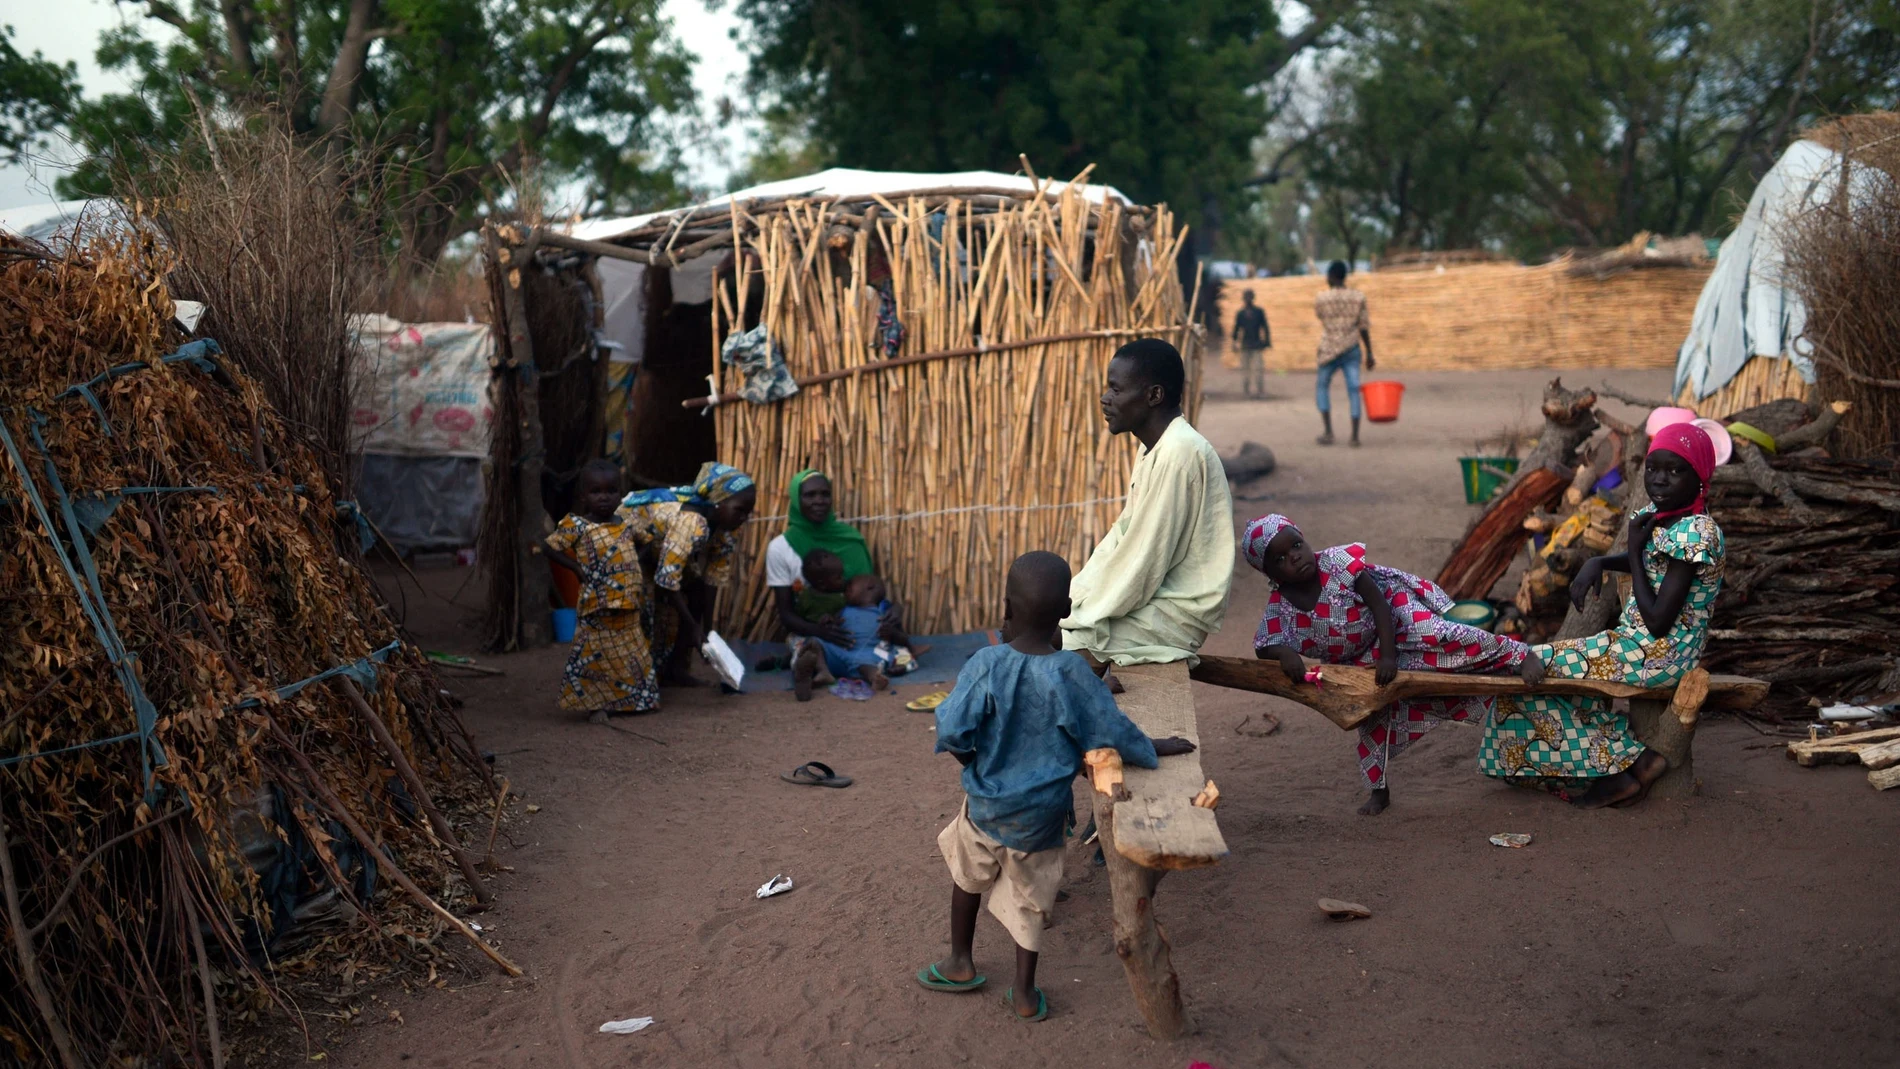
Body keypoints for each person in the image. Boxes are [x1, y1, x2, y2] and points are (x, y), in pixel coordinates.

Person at [916, 551, 1195, 1021]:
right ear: (1065, 612)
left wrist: (977, 763)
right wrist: (1153, 746)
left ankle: (960, 962)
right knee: (1030, 903)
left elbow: (951, 730)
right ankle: (1024, 993)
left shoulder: (985, 664)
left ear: (1005, 608)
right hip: (1042, 818)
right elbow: (1110, 732)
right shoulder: (1071, 675)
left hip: (985, 805)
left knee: (966, 876)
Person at [1478, 424, 1726, 809]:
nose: (1659, 479)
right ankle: (1612, 760)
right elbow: (1644, 558)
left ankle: (1631, 763)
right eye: (1652, 467)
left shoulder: (1697, 533)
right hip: (1636, 645)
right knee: (1532, 670)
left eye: (1675, 471)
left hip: (1663, 655)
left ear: (1699, 478)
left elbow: (1659, 620)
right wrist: (1599, 561)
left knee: (1531, 663)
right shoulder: (1662, 516)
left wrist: (1636, 554)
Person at [1243, 514, 1541, 815]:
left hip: (1394, 615)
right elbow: (1263, 645)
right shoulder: (1280, 607)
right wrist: (1284, 654)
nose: (1294, 556)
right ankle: (1378, 789)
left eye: (1296, 545)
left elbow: (1379, 605)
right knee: (1372, 716)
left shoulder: (1336, 564)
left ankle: (1518, 653)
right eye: (1281, 558)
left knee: (1441, 634)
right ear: (1269, 572)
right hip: (1355, 658)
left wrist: (1388, 655)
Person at [1061, 339, 1234, 688]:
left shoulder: (1179, 454)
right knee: (1061, 632)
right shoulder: (1155, 447)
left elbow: (1144, 560)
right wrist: (1074, 597)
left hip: (1179, 610)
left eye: (1115, 389)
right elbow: (1122, 536)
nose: (1104, 398)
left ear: (1154, 395)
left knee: (1065, 647)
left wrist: (1081, 616)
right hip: (1157, 598)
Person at [619, 461, 758, 686]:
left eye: (747, 513)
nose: (743, 517)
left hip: (660, 550)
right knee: (643, 607)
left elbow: (712, 577)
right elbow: (666, 580)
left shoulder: (727, 528)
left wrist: (709, 631)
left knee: (696, 592)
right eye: (739, 510)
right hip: (630, 551)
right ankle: (636, 681)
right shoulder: (691, 522)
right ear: (717, 503)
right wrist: (694, 626)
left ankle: (675, 668)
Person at [766, 468, 910, 683]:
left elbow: (871, 596)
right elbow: (786, 614)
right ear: (796, 499)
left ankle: (843, 666)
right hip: (814, 629)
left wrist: (895, 611)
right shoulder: (780, 548)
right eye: (810, 495)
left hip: (857, 630)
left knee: (891, 648)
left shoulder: (850, 540)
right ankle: (813, 666)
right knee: (806, 646)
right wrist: (821, 631)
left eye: (825, 494)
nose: (819, 501)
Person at [542, 461, 659, 719]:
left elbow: (648, 541)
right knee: (594, 656)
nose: (604, 497)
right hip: (596, 606)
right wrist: (574, 567)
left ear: (620, 493)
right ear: (583, 496)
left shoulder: (627, 523)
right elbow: (549, 547)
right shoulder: (577, 526)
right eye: (596, 492)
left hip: (628, 604)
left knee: (632, 654)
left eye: (611, 491)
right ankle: (596, 705)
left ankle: (634, 701)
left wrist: (632, 563)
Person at [792, 562, 914, 699]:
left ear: (869, 587)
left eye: (850, 585)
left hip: (869, 655)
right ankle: (822, 672)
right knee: (814, 642)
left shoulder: (885, 609)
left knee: (870, 665)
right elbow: (832, 626)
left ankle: (875, 678)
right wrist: (827, 622)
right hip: (841, 654)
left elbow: (904, 640)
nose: (845, 589)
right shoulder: (845, 609)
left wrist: (893, 633)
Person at [1313, 260, 1375, 447]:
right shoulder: (1358, 297)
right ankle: (1354, 436)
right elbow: (1363, 327)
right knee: (1354, 390)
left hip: (1328, 349)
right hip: (1351, 348)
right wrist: (1370, 353)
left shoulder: (1321, 298)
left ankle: (1328, 432)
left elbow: (1321, 317)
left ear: (1331, 276)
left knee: (1322, 387)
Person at [1231, 289, 1272, 398]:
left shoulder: (1259, 312)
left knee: (1258, 368)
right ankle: (1246, 390)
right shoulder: (1241, 313)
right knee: (1245, 368)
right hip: (1246, 344)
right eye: (1246, 297)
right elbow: (1236, 329)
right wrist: (1234, 342)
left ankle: (1260, 390)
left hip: (1256, 344)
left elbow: (1265, 327)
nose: (1248, 299)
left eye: (1249, 297)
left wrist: (1267, 341)